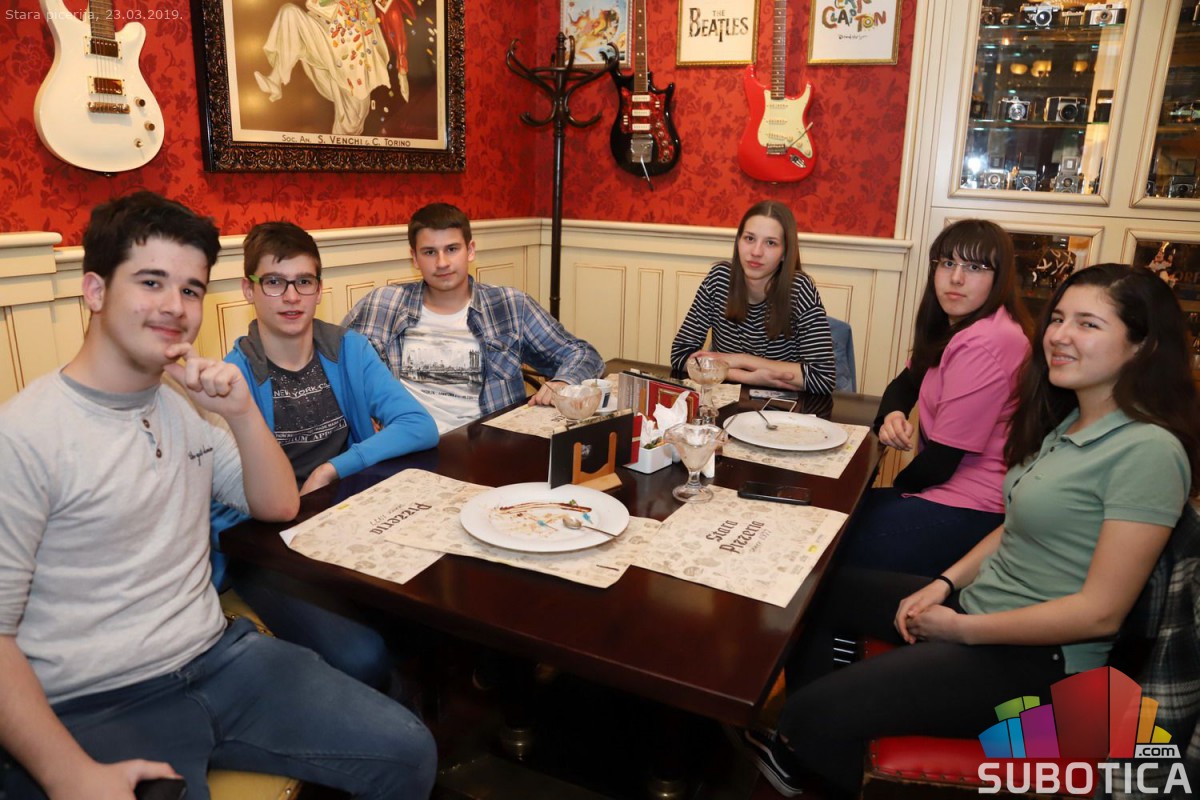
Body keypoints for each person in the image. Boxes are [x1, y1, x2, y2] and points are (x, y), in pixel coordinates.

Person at [0, 192, 436, 800]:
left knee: (410, 751)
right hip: (98, 700)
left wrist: (240, 413)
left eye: (190, 289)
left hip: (218, 658)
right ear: (95, 290)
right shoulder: (23, 436)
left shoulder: (183, 410)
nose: (174, 306)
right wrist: (65, 773)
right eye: (151, 282)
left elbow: (279, 505)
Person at [742, 263, 1199, 798]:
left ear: (1143, 346)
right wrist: (944, 583)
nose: (1059, 335)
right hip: (984, 605)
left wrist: (960, 630)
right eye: (1057, 319)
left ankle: (814, 737)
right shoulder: (1070, 422)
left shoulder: (1148, 450)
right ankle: (822, 738)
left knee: (807, 714)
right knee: (814, 590)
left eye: (1088, 324)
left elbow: (1102, 612)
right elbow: (1014, 527)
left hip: (1042, 662)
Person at [211, 221, 438, 690]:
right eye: (274, 282)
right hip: (267, 544)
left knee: (432, 609)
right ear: (249, 290)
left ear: (319, 289)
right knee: (362, 654)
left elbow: (419, 425)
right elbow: (226, 499)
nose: (291, 296)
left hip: (347, 516)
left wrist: (334, 467)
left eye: (304, 281)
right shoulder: (232, 378)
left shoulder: (348, 349)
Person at [836, 219, 1032, 576]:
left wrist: (890, 493)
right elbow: (904, 384)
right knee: (832, 515)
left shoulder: (985, 342)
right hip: (947, 492)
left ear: (1000, 278)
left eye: (975, 267)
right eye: (947, 263)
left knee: (827, 542)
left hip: (971, 509)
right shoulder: (962, 327)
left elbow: (940, 462)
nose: (956, 278)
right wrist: (891, 415)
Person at [345, 202, 605, 434]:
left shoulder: (510, 305)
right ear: (414, 257)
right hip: (407, 448)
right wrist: (360, 409)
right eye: (429, 252)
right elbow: (332, 361)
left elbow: (585, 355)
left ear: (470, 250)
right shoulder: (383, 304)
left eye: (452, 249)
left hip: (488, 446)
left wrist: (563, 381)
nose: (442, 262)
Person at [670, 200, 836, 394]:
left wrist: (741, 360)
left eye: (770, 243)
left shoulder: (800, 289)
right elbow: (681, 355)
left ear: (785, 253)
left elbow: (823, 377)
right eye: (749, 238)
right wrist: (745, 376)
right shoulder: (719, 279)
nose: (756, 252)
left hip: (782, 407)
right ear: (738, 242)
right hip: (725, 402)